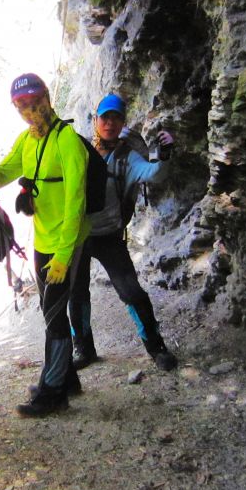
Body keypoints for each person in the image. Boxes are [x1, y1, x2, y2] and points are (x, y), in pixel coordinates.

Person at [0, 73, 89, 417]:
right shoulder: (26, 140)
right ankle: (67, 378)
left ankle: (53, 393)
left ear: (47, 98)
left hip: (67, 243)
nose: (30, 110)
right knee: (52, 311)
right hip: (43, 240)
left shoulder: (68, 141)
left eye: (34, 101)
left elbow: (76, 202)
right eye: (21, 105)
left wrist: (64, 255)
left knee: (54, 317)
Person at [69, 93, 179, 371]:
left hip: (109, 236)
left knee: (132, 292)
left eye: (116, 118)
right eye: (105, 117)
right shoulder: (79, 150)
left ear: (122, 123)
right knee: (76, 295)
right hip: (78, 236)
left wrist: (164, 156)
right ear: (96, 120)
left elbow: (153, 173)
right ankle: (83, 349)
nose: (110, 123)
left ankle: (156, 347)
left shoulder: (127, 158)